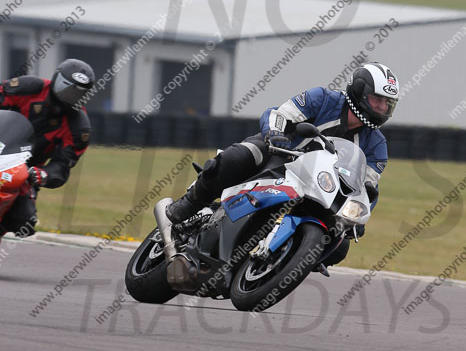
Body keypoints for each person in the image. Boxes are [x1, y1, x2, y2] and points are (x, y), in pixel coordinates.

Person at [166, 62, 399, 268]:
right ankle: (191, 203)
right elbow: (279, 113)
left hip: (318, 187)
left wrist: (357, 218)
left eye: (386, 104)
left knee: (338, 246)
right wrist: (275, 134)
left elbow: (367, 188)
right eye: (376, 100)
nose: (381, 108)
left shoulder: (377, 146)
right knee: (235, 158)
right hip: (279, 152)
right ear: (359, 92)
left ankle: (288, 259)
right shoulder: (323, 98)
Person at [0, 59, 95, 239]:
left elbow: (62, 166)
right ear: (55, 78)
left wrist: (43, 174)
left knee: (24, 220)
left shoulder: (79, 127)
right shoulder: (28, 87)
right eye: (66, 87)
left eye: (77, 93)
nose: (69, 95)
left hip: (23, 171)